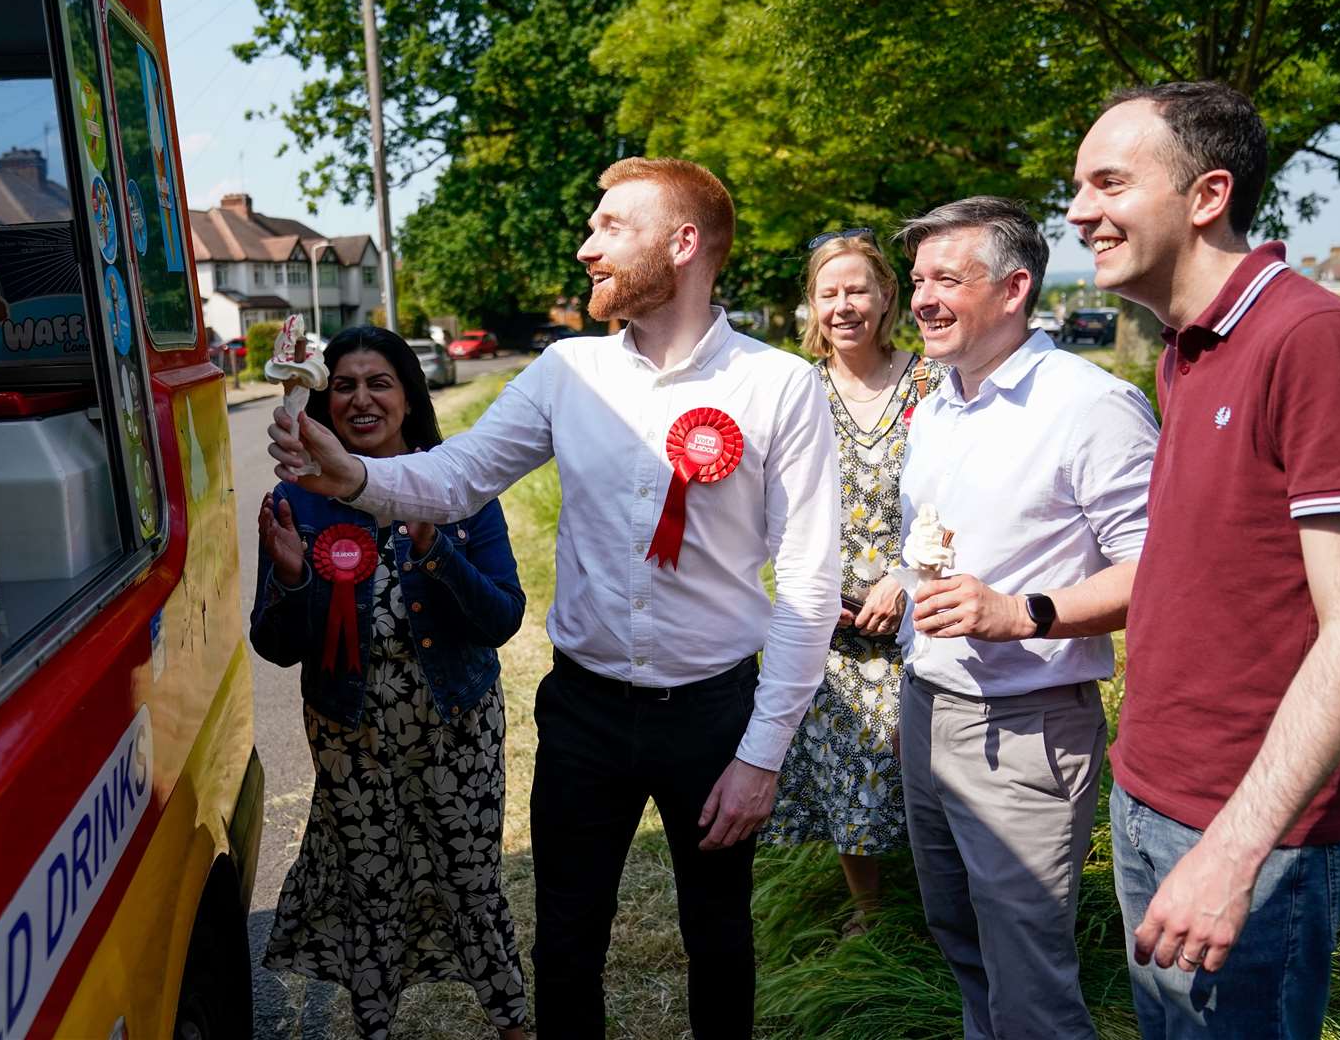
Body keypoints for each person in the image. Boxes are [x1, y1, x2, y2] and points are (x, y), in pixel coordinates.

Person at [268, 157, 841, 1039]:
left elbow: (808, 578)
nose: (585, 248)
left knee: (719, 938)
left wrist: (761, 755)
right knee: (567, 943)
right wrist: (351, 476)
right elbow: (455, 477)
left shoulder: (781, 385)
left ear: (683, 243)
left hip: (715, 716)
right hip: (583, 714)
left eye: (612, 227)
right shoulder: (566, 370)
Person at [1069, 82, 1340, 1038]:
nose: (1077, 211)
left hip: (1247, 832)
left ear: (1206, 195)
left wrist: (1235, 850)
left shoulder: (1314, 342)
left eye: (1108, 183)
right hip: (1152, 795)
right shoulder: (1189, 346)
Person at [892, 196, 1159, 1040]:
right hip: (926, 707)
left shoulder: (1091, 404)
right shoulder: (938, 401)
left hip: (1026, 731)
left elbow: (1159, 569)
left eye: (946, 279)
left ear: (1015, 289)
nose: (922, 298)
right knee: (961, 940)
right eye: (917, 279)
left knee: (1029, 975)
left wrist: (1019, 613)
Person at [251, 326, 528, 1040]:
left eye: (380, 383)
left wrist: (433, 544)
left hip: (456, 724)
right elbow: (274, 644)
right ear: (323, 400)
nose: (361, 399)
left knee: (470, 881)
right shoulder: (300, 498)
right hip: (349, 734)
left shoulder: (455, 486)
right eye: (343, 385)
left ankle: (513, 1022)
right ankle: (373, 1026)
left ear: (408, 397)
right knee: (371, 888)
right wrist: (289, 576)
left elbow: (503, 617)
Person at [760, 230, 940, 932]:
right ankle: (871, 914)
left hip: (921, 609)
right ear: (810, 305)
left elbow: (957, 494)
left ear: (888, 295)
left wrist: (908, 578)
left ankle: (937, 910)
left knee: (922, 771)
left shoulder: (932, 383)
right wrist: (805, 588)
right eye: (828, 293)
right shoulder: (795, 390)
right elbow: (769, 502)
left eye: (858, 289)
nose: (844, 306)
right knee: (844, 765)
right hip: (827, 623)